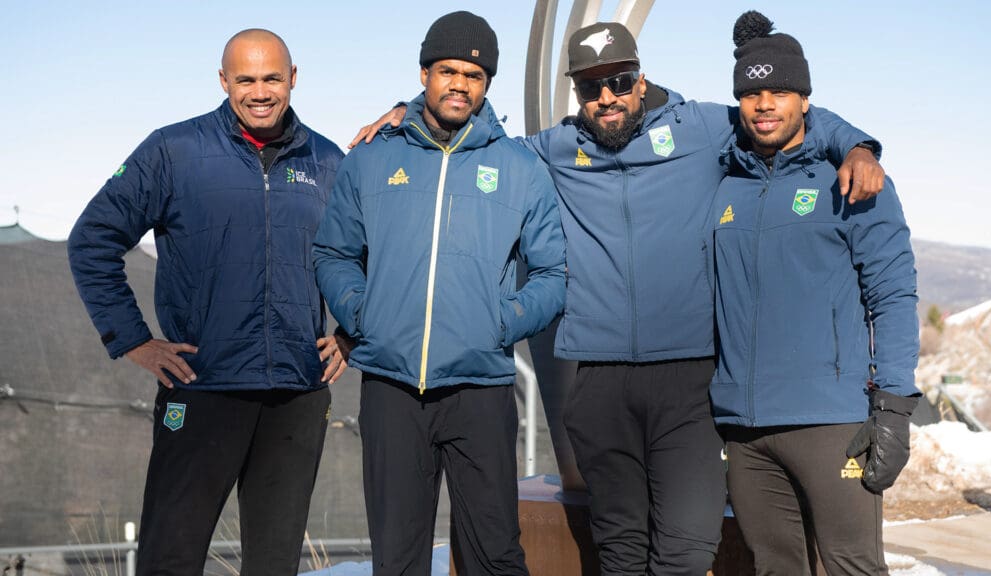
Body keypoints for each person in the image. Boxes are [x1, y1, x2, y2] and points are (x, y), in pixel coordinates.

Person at [353, 19, 884, 576]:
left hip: (689, 378)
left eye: (620, 81)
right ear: (577, 91)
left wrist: (856, 144)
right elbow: (471, 141)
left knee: (685, 549)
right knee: (620, 551)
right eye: (589, 87)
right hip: (601, 380)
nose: (606, 98)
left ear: (641, 78)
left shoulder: (703, 127)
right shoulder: (555, 149)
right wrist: (407, 112)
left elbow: (780, 115)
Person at [67, 29, 345, 576]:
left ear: (294, 78)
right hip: (201, 388)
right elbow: (92, 239)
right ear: (224, 81)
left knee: (274, 563)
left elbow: (369, 258)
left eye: (271, 78)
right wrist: (135, 341)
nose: (259, 91)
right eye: (245, 79)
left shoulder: (330, 160)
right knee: (170, 558)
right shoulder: (173, 151)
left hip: (296, 393)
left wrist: (351, 334)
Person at [312, 11, 566, 576]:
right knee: (398, 558)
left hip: (480, 387)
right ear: (424, 73)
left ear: (487, 85)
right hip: (392, 387)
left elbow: (553, 275)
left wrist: (498, 324)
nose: (459, 84)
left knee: (494, 554)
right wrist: (363, 315)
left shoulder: (520, 168)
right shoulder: (374, 158)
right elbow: (333, 254)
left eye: (473, 76)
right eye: (447, 70)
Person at [710, 11, 920, 575]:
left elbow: (894, 296)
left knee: (852, 566)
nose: (765, 104)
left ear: (806, 100)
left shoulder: (854, 178)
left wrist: (894, 409)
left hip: (832, 424)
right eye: (752, 93)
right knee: (776, 569)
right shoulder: (723, 181)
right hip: (746, 432)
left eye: (780, 90)